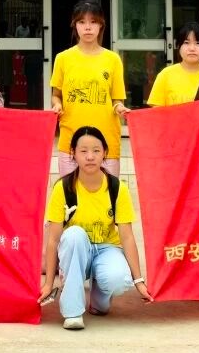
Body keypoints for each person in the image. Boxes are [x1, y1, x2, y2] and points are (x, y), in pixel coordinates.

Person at [39, 126, 151, 330]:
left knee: (118, 279)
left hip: (106, 249)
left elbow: (127, 238)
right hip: (76, 251)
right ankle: (72, 312)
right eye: (83, 151)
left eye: (96, 150)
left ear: (105, 153)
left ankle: (99, 298)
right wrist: (48, 284)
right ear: (73, 153)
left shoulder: (117, 188)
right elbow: (54, 239)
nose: (90, 157)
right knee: (74, 235)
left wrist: (139, 281)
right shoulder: (63, 188)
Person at [50, 0, 126, 177]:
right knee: (70, 193)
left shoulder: (113, 60)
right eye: (82, 22)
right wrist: (57, 105)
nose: (88, 27)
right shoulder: (62, 58)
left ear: (101, 25)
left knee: (107, 192)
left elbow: (117, 99)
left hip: (106, 140)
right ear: (74, 25)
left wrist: (119, 108)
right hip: (70, 139)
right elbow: (56, 95)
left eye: (93, 22)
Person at [146, 21, 199, 105]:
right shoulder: (165, 75)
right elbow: (156, 111)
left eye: (198, 43)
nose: (192, 48)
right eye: (186, 43)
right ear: (178, 46)